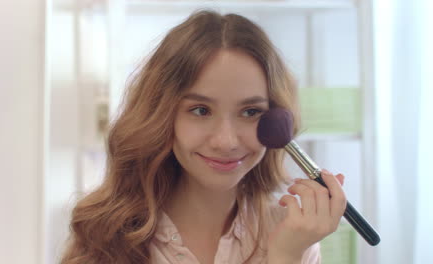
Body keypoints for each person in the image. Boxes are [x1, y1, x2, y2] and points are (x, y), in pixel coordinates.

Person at [60, 10, 347, 264]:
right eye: (200, 110)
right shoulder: (107, 235)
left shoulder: (291, 236)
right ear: (162, 114)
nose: (226, 141)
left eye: (250, 112)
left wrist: (286, 256)